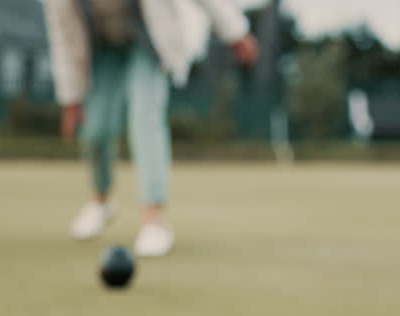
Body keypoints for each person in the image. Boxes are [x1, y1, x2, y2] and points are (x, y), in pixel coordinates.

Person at [44, 0, 258, 257]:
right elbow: (63, 35)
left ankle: (154, 221)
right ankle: (101, 202)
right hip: (99, 51)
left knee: (146, 117)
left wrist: (234, 31)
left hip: (149, 41)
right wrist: (71, 98)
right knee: (95, 130)